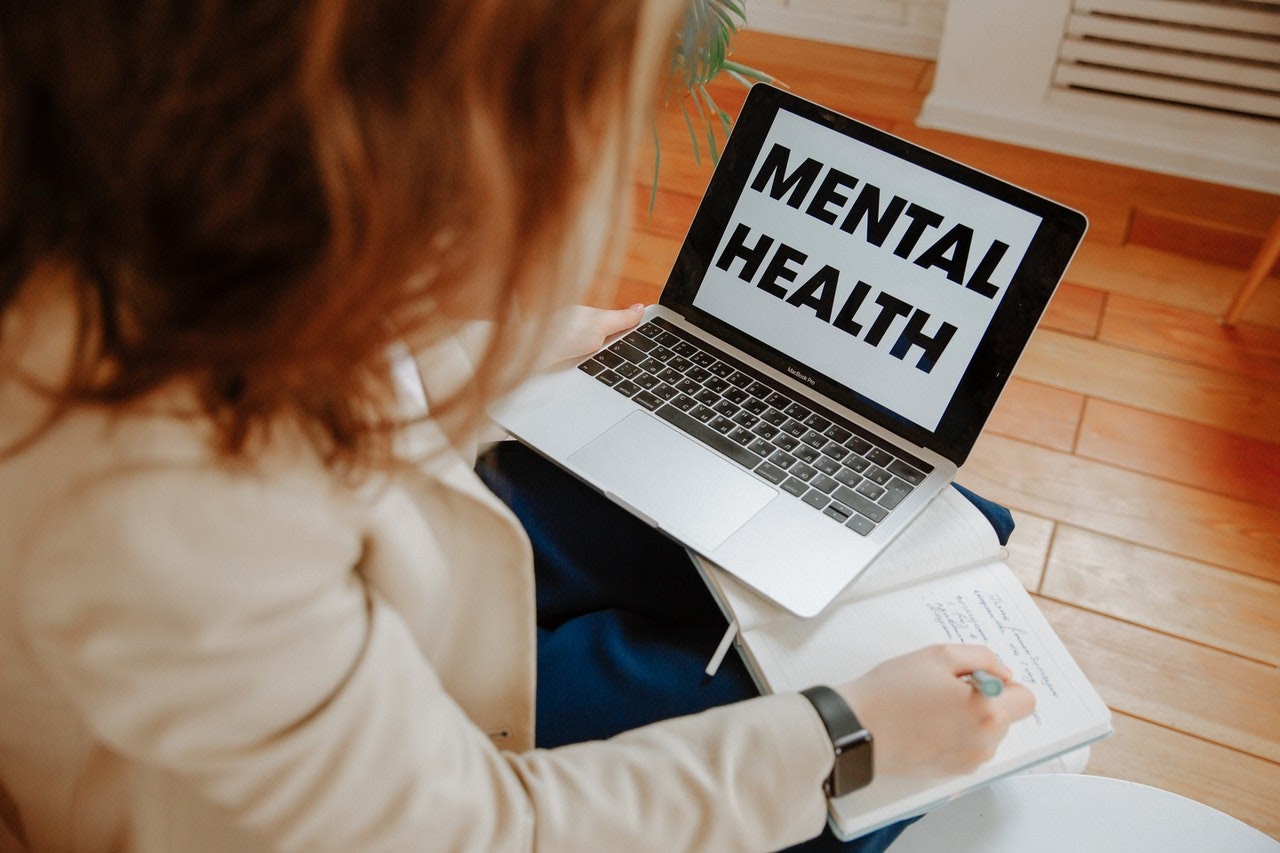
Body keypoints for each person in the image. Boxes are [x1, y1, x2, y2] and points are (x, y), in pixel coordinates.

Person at [0, 2, 1036, 851]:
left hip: (380, 542)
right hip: (365, 728)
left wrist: (532, 337)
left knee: (953, 520)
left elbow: (319, 349)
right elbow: (481, 832)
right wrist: (846, 735)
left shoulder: (139, 222)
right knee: (877, 779)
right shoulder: (161, 496)